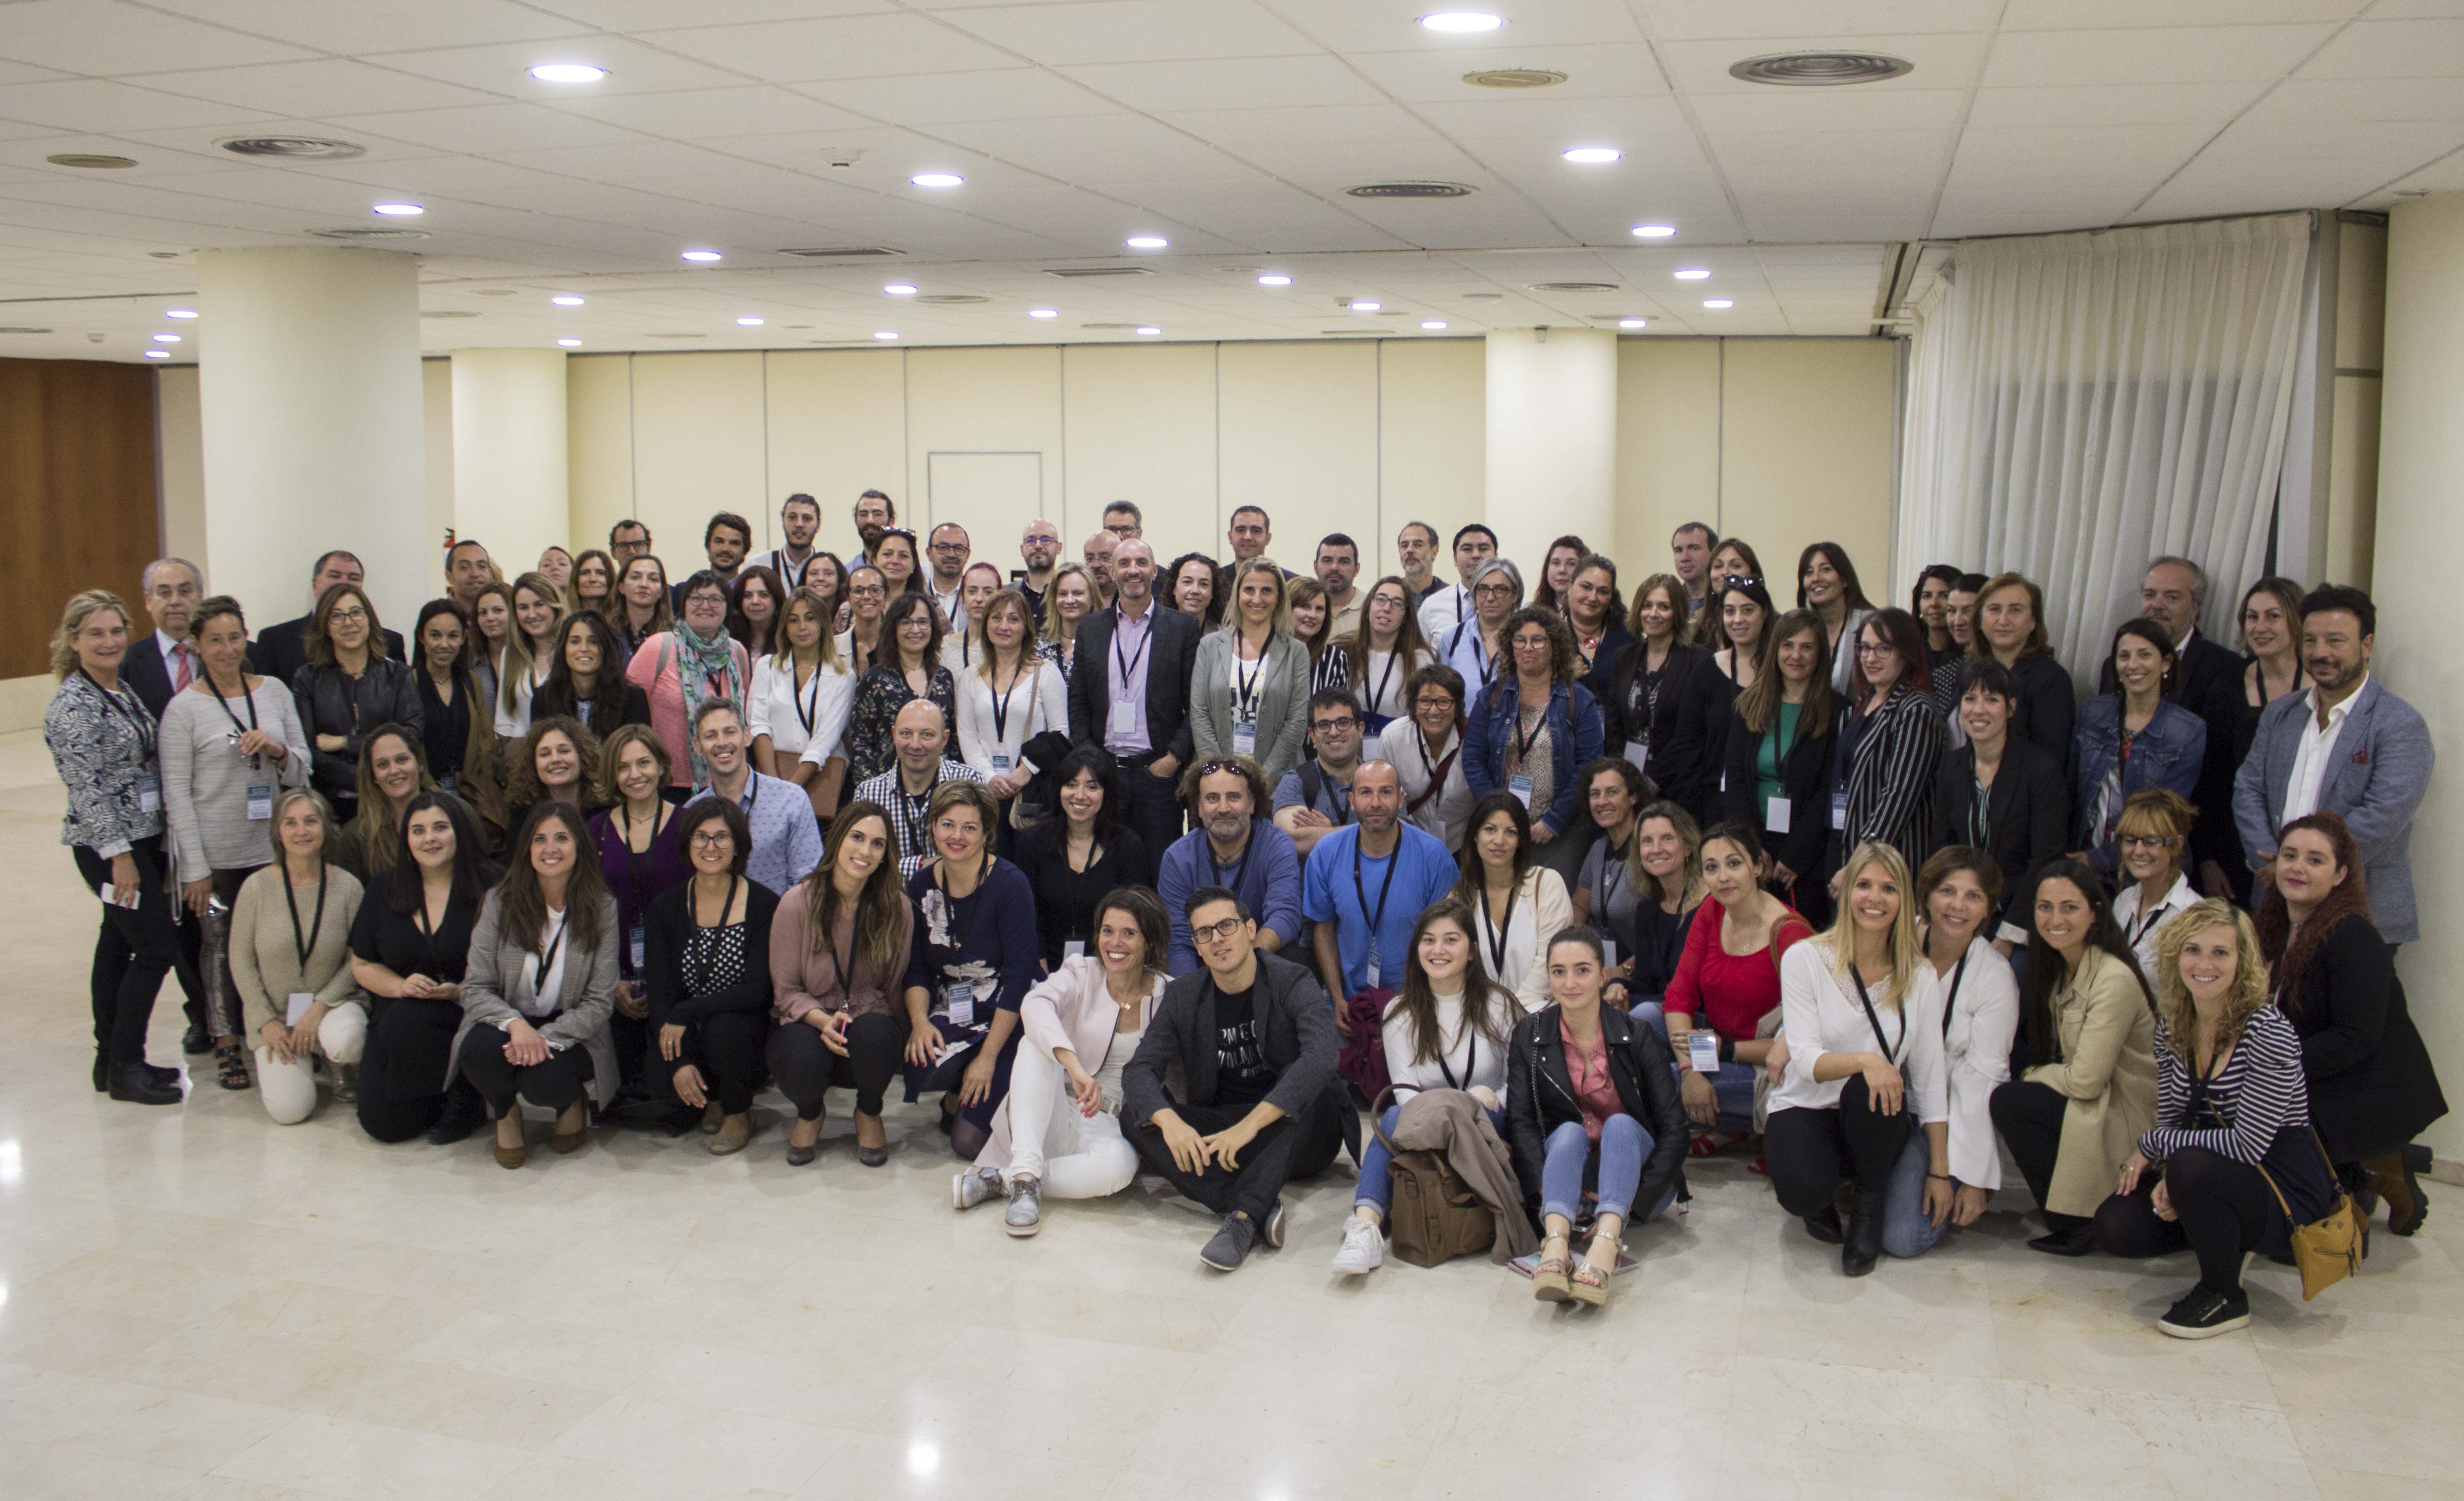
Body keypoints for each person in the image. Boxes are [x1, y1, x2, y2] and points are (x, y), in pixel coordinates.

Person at [2093, 900, 2331, 1339]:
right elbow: (2173, 1118)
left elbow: (2248, 1145)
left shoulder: (2268, 1030)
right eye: (2193, 950)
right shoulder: (2173, 1024)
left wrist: (2157, 1149)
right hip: (2206, 1170)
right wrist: (2170, 1174)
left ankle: (2225, 1294)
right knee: (2117, 1225)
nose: (2204, 965)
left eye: (2220, 952)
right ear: (2175, 955)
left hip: (2283, 1189)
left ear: (2243, 961)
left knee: (2190, 1165)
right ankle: (2217, 1232)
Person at [1122, 886, 1347, 1271]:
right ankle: (1248, 1200)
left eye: (1226, 926)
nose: (1217, 939)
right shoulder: (1184, 995)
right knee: (1136, 1114)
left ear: (1250, 929)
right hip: (1228, 1130)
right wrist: (1171, 1122)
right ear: (1196, 946)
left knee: (1310, 1091)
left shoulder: (1293, 979)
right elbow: (1139, 1069)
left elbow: (1322, 1056)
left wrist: (1250, 1126)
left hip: (1301, 1133)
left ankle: (1243, 1219)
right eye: (1204, 933)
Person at [2257, 812, 2447, 1234]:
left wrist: (2271, 1067)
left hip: (2361, 1088)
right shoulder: (2272, 924)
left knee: (2304, 1235)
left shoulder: (2352, 935)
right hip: (2313, 1078)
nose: (2298, 868)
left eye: (2315, 860)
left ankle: (2378, 1168)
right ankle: (2361, 1172)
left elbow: (2354, 1038)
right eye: (2289, 855)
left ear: (2341, 874)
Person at [1764, 843, 1949, 1275]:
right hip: (1806, 1103)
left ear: (1904, 900)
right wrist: (1868, 1059)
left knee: (1874, 1085)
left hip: (1874, 1116)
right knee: (1801, 1190)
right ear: (1847, 893)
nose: (1874, 898)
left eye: (1889, 888)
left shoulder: (1921, 975)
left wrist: (1940, 1171)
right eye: (1864, 885)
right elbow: (1806, 1060)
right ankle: (1821, 1197)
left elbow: (1930, 1077)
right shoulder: (1805, 958)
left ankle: (1869, 1205)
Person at [956, 887, 1168, 1234]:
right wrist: (1074, 1066)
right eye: (1108, 931)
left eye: (1129, 933)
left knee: (1119, 1169)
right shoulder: (1082, 971)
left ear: (1150, 940)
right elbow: (1035, 1004)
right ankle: (1026, 1171)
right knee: (1034, 1043)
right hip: (1048, 1110)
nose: (1115, 943)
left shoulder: (1168, 993)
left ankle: (1007, 1182)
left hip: (1110, 1125)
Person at [161, 594, 310, 1091]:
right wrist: (194, 869)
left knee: (278, 944)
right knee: (220, 949)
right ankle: (226, 1041)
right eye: (215, 641)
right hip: (217, 855)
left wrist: (277, 750)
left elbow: (303, 768)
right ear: (197, 646)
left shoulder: (274, 692)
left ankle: (285, 1030)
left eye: (234, 638)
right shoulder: (183, 710)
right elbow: (177, 795)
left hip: (272, 848)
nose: (227, 650)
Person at [1332, 899, 1521, 1276]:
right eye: (1429, 940)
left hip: (1488, 1127)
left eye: (1451, 939)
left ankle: (1368, 1216)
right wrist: (1465, 1101)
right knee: (1395, 1115)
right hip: (1428, 1127)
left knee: (1393, 1119)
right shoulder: (1400, 1011)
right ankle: (1365, 1227)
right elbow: (1406, 1095)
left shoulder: (1500, 1004)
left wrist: (1480, 1106)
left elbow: (1512, 1085)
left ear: (1472, 950)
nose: (1438, 950)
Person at [2234, 585, 2431, 945]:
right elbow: (2248, 788)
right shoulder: (2281, 713)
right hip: (2275, 905)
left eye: (2335, 641)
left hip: (2359, 915)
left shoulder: (2399, 724)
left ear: (2367, 645)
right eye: (2310, 641)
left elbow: (2383, 815)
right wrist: (2272, 865)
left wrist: (2298, 867)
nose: (2320, 652)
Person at [1505, 927, 1687, 1303]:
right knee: (1568, 1132)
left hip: (1637, 1183)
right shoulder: (1528, 1034)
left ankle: (1606, 1243)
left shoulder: (1637, 1034)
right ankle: (1555, 1243)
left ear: (1604, 976)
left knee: (1620, 1125)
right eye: (1559, 972)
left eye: (1582, 970)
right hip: (1569, 1183)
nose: (1570, 983)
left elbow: (1675, 1129)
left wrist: (1639, 1198)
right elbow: (1521, 1121)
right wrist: (1546, 1189)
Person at [1988, 860, 2159, 1255]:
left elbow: (2086, 1080)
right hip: (2095, 1099)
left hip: (2123, 1113)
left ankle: (2076, 1221)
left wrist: (2033, 1073)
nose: (2055, 919)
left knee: (2013, 1099)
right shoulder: (2061, 968)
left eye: (2069, 907)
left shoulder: (2113, 977)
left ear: (2095, 913)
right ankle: (2070, 1216)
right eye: (2045, 907)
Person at [454, 803, 622, 1168]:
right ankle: (505, 1112)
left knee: (544, 1079)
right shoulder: (499, 902)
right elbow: (475, 987)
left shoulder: (602, 908)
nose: (551, 849)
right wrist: (516, 1026)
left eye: (562, 838)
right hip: (507, 1020)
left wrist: (543, 1039)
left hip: (570, 1026)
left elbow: (599, 1002)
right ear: (526, 848)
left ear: (579, 846)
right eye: (540, 839)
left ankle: (570, 1102)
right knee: (477, 1051)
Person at [1888, 848, 2021, 1258]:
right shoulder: (1893, 942)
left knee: (1903, 1237)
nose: (1958, 906)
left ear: (1988, 909)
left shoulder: (1994, 977)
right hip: (1881, 1098)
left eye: (1973, 896)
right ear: (1926, 895)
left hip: (1944, 1115)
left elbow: (1983, 1080)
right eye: (1947, 891)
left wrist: (1970, 1178)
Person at [768, 802, 914, 1166]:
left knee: (881, 1035)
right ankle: (810, 1112)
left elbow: (893, 986)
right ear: (837, 840)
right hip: (809, 1022)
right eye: (857, 837)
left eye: (878, 844)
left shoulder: (897, 907)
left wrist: (903, 1040)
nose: (865, 851)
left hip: (865, 1026)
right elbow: (786, 991)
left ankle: (868, 1110)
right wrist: (823, 1021)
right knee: (797, 1055)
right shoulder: (796, 903)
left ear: (886, 855)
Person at [898, 782, 1036, 1158]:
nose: (956, 836)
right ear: (933, 827)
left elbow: (1020, 978)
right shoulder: (921, 884)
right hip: (956, 1005)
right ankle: (960, 1087)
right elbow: (916, 967)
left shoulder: (1010, 884)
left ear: (986, 833)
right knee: (921, 1065)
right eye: (948, 824)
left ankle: (1003, 1079)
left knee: (968, 1143)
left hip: (1009, 1013)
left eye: (969, 827)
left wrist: (987, 1059)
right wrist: (920, 1023)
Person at [350, 791, 494, 1143]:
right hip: (399, 1015)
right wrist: (399, 986)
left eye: (440, 827)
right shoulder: (383, 888)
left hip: (469, 1011)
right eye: (418, 831)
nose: (430, 838)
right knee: (384, 1126)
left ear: (459, 831)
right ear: (407, 840)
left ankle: (466, 1092)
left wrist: (461, 990)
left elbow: (514, 967)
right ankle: (439, 1093)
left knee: (405, 1020)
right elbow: (362, 963)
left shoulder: (492, 885)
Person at [639, 798, 778, 1154]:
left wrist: (686, 1012)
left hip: (741, 1023)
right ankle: (711, 1098)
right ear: (687, 844)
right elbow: (661, 992)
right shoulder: (665, 908)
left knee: (724, 1030)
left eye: (722, 837)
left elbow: (758, 990)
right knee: (660, 1066)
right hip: (687, 1022)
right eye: (701, 837)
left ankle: (738, 1112)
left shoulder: (764, 904)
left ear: (738, 846)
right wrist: (678, 1061)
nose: (711, 847)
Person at [2104, 557, 2246, 900]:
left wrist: (2209, 856)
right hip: (2112, 848)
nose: (2157, 605)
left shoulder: (2225, 668)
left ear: (2195, 609)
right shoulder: (2115, 665)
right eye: (2150, 594)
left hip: (2180, 850)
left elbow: (2217, 777)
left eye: (2172, 597)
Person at [1663, 823, 1812, 1145]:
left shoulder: (1790, 933)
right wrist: (1690, 1070)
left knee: (1655, 1084)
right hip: (1715, 1045)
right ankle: (1736, 1124)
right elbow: (1679, 995)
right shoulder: (1712, 909)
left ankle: (1750, 1128)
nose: (1723, 877)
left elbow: (1804, 1038)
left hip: (1768, 1063)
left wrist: (1722, 1051)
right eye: (1712, 868)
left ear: (1757, 866)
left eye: (1734, 863)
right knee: (1642, 1023)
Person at [1069, 539, 1202, 878]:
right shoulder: (1091, 627)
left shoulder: (1182, 628)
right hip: (1105, 774)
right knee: (1107, 873)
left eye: (1142, 562)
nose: (1133, 570)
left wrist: (1173, 758)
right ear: (1112, 572)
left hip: (1156, 774)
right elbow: (1079, 701)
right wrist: (1089, 760)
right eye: (1124, 563)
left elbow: (1196, 704)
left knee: (1161, 872)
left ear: (1154, 571)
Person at [1931, 658, 2067, 951]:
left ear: (2011, 708)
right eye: (1970, 699)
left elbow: (2045, 860)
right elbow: (1943, 849)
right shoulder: (1951, 767)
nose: (1978, 710)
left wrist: (2008, 936)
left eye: (1991, 699)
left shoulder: (2041, 770)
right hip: (1961, 909)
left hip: (2019, 916)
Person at [1304, 761, 1457, 1014]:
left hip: (1419, 1002)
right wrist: (1338, 999)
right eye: (1366, 793)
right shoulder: (1326, 854)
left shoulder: (1434, 857)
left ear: (1400, 800)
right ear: (1352, 801)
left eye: (1386, 792)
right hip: (1350, 1003)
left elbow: (1449, 939)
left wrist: (1429, 1006)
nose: (1376, 803)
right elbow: (1324, 929)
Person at [1717, 608, 1837, 921]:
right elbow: (1736, 780)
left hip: (1806, 858)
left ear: (1820, 654)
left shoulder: (1837, 711)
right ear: (1775, 650)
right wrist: (1753, 848)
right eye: (1788, 645)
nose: (1796, 655)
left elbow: (1828, 791)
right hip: (1754, 847)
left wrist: (1797, 856)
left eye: (1807, 647)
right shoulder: (1750, 705)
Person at [586, 725, 685, 1103]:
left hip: (677, 976)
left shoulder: (688, 824)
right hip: (613, 974)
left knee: (667, 1092)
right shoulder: (597, 830)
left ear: (661, 765)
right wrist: (612, 983)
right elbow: (586, 911)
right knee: (619, 1091)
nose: (635, 774)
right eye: (623, 766)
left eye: (644, 762)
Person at [1464, 606, 1606, 859]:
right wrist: (1497, 815)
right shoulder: (1490, 698)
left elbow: (1590, 766)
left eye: (1538, 640)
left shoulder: (1579, 700)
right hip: (1502, 832)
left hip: (1562, 831)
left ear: (1555, 647)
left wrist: (1555, 820)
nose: (1528, 648)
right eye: (1520, 640)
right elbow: (1473, 758)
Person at [2072, 618, 2206, 876]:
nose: (2133, 665)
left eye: (2145, 655)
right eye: (2124, 656)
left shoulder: (2188, 730)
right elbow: (2072, 789)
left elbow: (2165, 815)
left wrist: (2099, 859)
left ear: (2166, 663)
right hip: (2085, 859)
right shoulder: (2092, 713)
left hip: (2148, 866)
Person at [1011, 748, 1150, 972]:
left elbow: (1136, 920)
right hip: (1044, 966)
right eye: (1071, 784)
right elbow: (1026, 915)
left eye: (1092, 787)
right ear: (1059, 789)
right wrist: (1043, 974)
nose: (1080, 795)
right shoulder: (1033, 842)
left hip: (1110, 965)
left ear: (1107, 793)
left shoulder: (1128, 846)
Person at [290, 583, 421, 820]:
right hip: (332, 805)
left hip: (392, 800)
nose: (348, 623)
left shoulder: (399, 675)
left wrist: (344, 743)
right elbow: (309, 750)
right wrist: (371, 778)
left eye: (356, 613)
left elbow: (411, 735)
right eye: (337, 616)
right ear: (325, 626)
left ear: (369, 619)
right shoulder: (307, 678)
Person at [1158, 755, 1300, 972]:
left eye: (1234, 797)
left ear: (1252, 803)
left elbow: (1285, 915)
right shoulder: (1177, 858)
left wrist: (1241, 968)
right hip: (1204, 966)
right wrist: (1192, 989)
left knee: (1292, 954)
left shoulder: (1276, 845)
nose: (1223, 808)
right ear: (1199, 807)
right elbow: (1178, 940)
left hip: (1259, 960)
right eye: (1213, 798)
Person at [1835, 608, 1946, 876]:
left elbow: (1899, 796)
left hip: (1889, 861)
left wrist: (1857, 863)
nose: (1871, 658)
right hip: (1847, 844)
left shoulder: (1916, 710)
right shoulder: (1859, 707)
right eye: (1864, 648)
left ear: (1907, 653)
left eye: (1884, 649)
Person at [627, 569, 751, 790]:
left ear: (727, 607)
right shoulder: (659, 647)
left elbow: (744, 715)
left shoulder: (737, 653)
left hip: (728, 781)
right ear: (683, 605)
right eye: (696, 598)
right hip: (666, 782)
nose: (705, 606)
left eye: (715, 599)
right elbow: (626, 711)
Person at [954, 587, 1069, 823]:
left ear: (1026, 627)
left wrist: (1025, 771)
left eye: (1013, 619)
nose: (1004, 626)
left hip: (1033, 790)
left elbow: (1061, 732)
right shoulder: (970, 677)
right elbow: (967, 735)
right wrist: (989, 777)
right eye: (996, 618)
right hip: (984, 791)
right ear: (986, 624)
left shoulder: (1046, 673)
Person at [1192, 560, 1310, 790]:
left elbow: (1296, 722)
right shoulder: (1209, 646)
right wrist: (1220, 773)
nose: (1257, 599)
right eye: (1249, 590)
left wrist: (1262, 780)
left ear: (1279, 598)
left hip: (1277, 782)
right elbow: (1200, 714)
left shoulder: (1296, 652)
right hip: (1217, 781)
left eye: (1267, 591)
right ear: (1237, 594)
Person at [684, 698, 821, 895]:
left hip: (779, 914)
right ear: (697, 747)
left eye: (730, 732)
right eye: (711, 736)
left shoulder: (791, 800)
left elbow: (807, 881)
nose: (722, 742)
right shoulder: (692, 811)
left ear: (747, 737)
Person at [1452, 790, 1570, 1012]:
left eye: (1511, 832)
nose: (1499, 841)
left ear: (1521, 841)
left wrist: (1510, 1015)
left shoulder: (1547, 885)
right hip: (1479, 1016)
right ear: (1475, 836)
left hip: (1538, 1013)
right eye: (1490, 829)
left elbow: (1551, 965)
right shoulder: (1458, 897)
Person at [1603, 570, 1709, 811]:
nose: (1653, 614)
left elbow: (1690, 735)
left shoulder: (1698, 660)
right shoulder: (1625, 656)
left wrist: (1651, 779)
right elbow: (1614, 723)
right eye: (1647, 605)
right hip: (1628, 782)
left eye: (1664, 607)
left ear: (1678, 612)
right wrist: (1626, 776)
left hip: (1679, 785)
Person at [749, 586, 854, 821]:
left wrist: (789, 791)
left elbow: (825, 740)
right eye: (794, 620)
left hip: (819, 783)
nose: (802, 627)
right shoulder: (768, 667)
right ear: (785, 627)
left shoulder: (843, 676)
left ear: (823, 624)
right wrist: (774, 785)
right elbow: (759, 726)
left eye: (810, 618)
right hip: (770, 780)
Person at [853, 698, 987, 880]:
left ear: (945, 739)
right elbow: (863, 863)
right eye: (906, 734)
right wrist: (922, 865)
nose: (915, 745)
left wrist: (895, 868)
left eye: (927, 735)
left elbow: (976, 857)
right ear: (894, 735)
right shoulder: (869, 794)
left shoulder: (969, 782)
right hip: (890, 897)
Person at [847, 591, 957, 788]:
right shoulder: (875, 679)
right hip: (886, 788)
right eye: (906, 622)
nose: (915, 630)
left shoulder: (944, 678)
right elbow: (861, 743)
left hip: (939, 788)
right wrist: (873, 792)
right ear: (894, 628)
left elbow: (952, 741)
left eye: (923, 622)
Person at [247, 550, 407, 685]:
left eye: (353, 578)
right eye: (335, 576)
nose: (344, 583)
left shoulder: (390, 642)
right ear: (315, 584)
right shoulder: (275, 641)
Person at [1968, 572, 2075, 769]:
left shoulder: (2051, 679)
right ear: (1979, 620)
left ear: (2033, 622)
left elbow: (2049, 762)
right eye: (1994, 609)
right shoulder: (1968, 669)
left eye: (2015, 610)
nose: (2003, 620)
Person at [1616, 800, 1708, 1020]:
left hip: (1700, 1018)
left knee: (1644, 1015)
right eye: (1647, 841)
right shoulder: (1648, 908)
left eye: (1667, 838)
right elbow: (1645, 984)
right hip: (1661, 1010)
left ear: (1687, 847)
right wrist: (1618, 986)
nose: (1656, 850)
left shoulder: (1711, 903)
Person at [1377, 664, 1474, 851]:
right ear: (1414, 704)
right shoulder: (1393, 737)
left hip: (1465, 843)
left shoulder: (1475, 738)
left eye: (1444, 702)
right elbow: (1384, 796)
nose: (1434, 711)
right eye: (1425, 701)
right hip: (1409, 842)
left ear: (1458, 706)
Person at [409, 599, 494, 806]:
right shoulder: (407, 683)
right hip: (421, 795)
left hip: (468, 796)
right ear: (421, 637)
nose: (444, 644)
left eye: (453, 636)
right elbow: (406, 743)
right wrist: (430, 787)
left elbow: (486, 741)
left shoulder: (472, 682)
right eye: (435, 635)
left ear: (464, 638)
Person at [2108, 789, 2201, 976]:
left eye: (2151, 841)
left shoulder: (2193, 914)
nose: (2138, 851)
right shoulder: (2123, 901)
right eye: (2130, 840)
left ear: (2177, 844)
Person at [530, 610, 651, 743]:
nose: (584, 648)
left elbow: (640, 749)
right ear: (563, 648)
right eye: (575, 641)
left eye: (593, 642)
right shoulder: (543, 698)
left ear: (605, 649)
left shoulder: (633, 699)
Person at [340, 723, 439, 884]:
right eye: (383, 765)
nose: (394, 770)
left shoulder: (455, 814)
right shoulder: (356, 836)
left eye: (402, 760)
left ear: (420, 764)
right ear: (374, 776)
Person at [1272, 690, 1366, 858]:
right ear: (1312, 736)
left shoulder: (1382, 778)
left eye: (1343, 723)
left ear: (1360, 729)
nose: (1334, 732)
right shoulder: (1295, 782)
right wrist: (1369, 830)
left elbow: (1397, 833)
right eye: (1323, 725)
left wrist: (1326, 831)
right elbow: (1291, 840)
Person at [1341, 574, 1433, 736]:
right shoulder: (1344, 653)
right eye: (1381, 599)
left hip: (1398, 745)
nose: (1387, 608)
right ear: (1368, 606)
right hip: (1348, 746)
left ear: (1406, 617)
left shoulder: (1420, 660)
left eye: (1397, 604)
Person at [1568, 757, 1648, 934]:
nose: (1602, 802)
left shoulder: (1650, 846)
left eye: (1612, 792)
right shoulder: (1598, 849)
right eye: (1595, 794)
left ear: (1633, 797)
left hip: (1645, 950)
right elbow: (1580, 906)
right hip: (1604, 949)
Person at [129, 556, 205, 719]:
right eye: (165, 593)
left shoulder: (232, 653)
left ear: (201, 596)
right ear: (148, 601)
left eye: (184, 591)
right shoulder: (127, 663)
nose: (175, 601)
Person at [493, 570, 566, 740]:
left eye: (539, 605)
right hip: (521, 750)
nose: (532, 615)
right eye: (523, 608)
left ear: (555, 606)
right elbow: (504, 720)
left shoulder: (571, 650)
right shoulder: (510, 654)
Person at [1797, 541, 1876, 696]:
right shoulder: (1802, 628)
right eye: (1809, 572)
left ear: (1845, 579)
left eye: (1826, 570)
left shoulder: (1871, 624)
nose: (1816, 578)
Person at [1434, 556, 1519, 700]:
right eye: (1483, 589)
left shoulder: (1525, 640)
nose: (1490, 597)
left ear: (1515, 595)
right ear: (1474, 593)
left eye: (1500, 589)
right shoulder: (1453, 638)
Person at [502, 715, 601, 834]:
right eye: (545, 754)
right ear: (533, 763)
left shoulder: (603, 809)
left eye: (564, 751)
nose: (555, 759)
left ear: (583, 756)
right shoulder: (522, 813)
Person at [1416, 522, 1499, 641]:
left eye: (1483, 549)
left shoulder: (1514, 606)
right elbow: (1420, 651)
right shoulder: (1432, 606)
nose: (1476, 555)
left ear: (1496, 557)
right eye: (1467, 549)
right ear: (1455, 559)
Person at [671, 512, 751, 609]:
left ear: (745, 551)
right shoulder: (683, 592)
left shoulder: (750, 597)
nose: (725, 549)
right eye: (719, 541)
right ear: (708, 546)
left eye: (734, 543)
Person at [746, 491, 823, 591]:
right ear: (783, 522)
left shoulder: (829, 568)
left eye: (807, 519)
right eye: (792, 517)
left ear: (818, 525)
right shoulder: (757, 565)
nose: (799, 524)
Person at [1286, 576, 1348, 695]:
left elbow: (1336, 706)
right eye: (1305, 606)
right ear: (1286, 608)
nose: (1313, 615)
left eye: (1319, 609)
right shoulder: (1267, 650)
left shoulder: (1335, 658)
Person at [1036, 562, 1095, 687]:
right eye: (1063, 594)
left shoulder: (1105, 643)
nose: (1070, 600)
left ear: (1093, 598)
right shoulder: (1039, 645)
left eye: (1078, 593)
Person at [941, 561, 1003, 675]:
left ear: (999, 597)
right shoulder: (946, 646)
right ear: (963, 596)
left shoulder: (1006, 647)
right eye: (972, 592)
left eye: (988, 592)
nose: (979, 599)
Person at [612, 554, 674, 664]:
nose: (644, 584)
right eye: (635, 577)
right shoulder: (606, 633)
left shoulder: (675, 637)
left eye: (653, 579)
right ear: (621, 587)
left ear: (662, 591)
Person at [1911, 563, 1963, 696]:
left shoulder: (1969, 656)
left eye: (1945, 596)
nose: (1934, 603)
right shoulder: (1909, 652)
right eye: (1927, 596)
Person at [838, 564, 890, 678]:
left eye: (875, 590)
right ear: (848, 598)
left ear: (886, 597)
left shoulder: (901, 646)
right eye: (858, 591)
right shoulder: (833, 647)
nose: (866, 596)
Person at [1312, 533, 1365, 643]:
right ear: (1315, 566)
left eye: (1344, 562)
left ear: (1357, 569)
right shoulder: (1299, 608)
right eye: (1327, 561)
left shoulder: (1371, 608)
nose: (1335, 567)